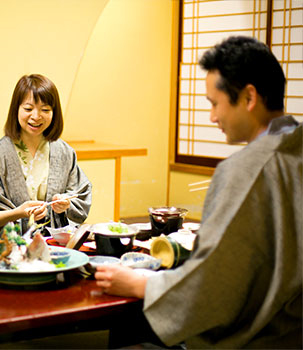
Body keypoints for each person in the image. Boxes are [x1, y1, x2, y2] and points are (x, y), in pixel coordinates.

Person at [96, 36, 302, 348]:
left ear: (249, 97)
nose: (212, 117)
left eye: (214, 103)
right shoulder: (294, 151)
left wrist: (141, 285)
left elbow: (214, 285)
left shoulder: (246, 169)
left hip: (260, 340)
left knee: (133, 332)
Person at [0, 74, 92, 235]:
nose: (36, 117)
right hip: (10, 249)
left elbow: (80, 196)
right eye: (28, 109)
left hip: (54, 247)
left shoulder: (64, 152)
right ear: (16, 109)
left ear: (54, 112)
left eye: (45, 110)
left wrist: (65, 205)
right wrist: (18, 213)